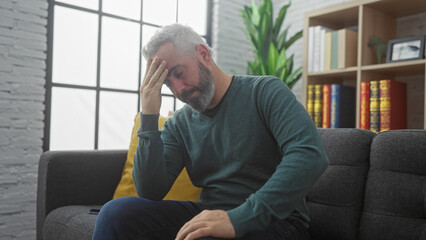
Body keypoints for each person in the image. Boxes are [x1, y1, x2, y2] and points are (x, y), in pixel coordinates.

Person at [92, 23, 328, 240]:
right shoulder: (179, 124)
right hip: (210, 216)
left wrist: (238, 218)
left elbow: (309, 155)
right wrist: (149, 115)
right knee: (116, 212)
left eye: (179, 73)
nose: (178, 90)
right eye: (167, 84)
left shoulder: (264, 91)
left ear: (203, 54)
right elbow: (150, 190)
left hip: (278, 222)